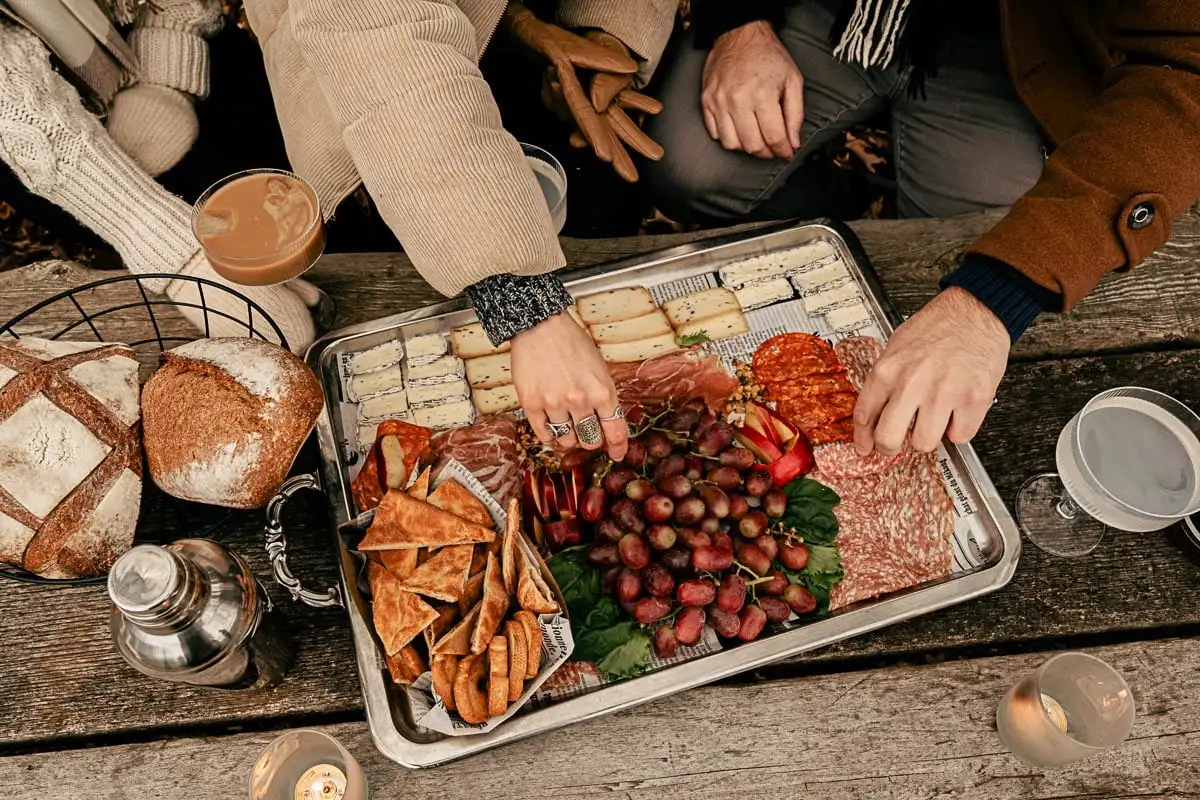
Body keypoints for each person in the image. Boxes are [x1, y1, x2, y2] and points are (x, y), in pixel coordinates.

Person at [646, 0, 1200, 458]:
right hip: (825, 10)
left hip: (1006, 47)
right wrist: (741, 20)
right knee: (682, 169)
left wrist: (995, 297)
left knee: (977, 242)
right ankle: (843, 195)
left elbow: (1186, 69)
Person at [242, 0, 678, 459]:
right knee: (417, 246)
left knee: (599, 205)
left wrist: (605, 32)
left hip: (519, 39)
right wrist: (524, 303)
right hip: (390, 95)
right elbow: (386, 52)